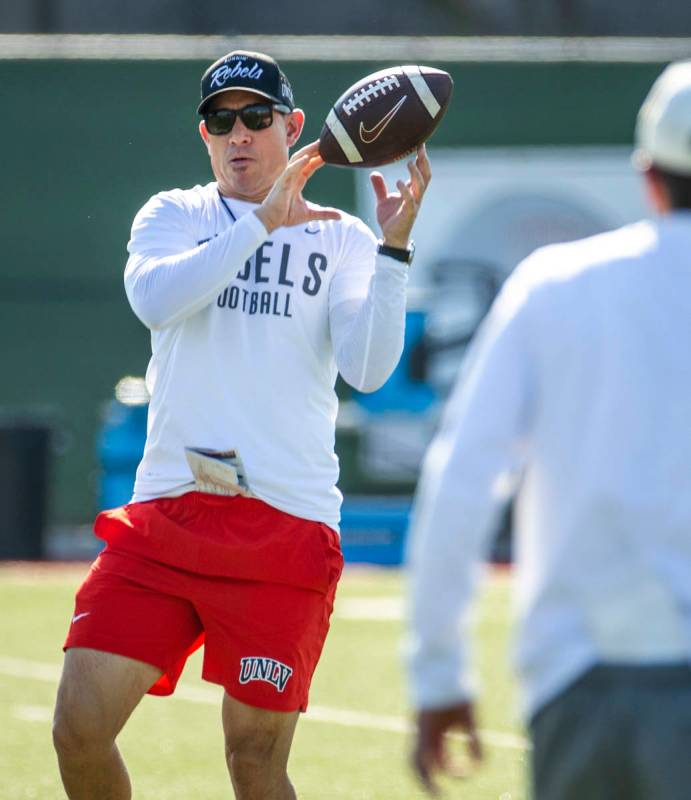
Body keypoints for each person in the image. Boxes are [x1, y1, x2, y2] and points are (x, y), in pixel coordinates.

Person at [52, 49, 430, 800]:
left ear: (291, 127)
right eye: (221, 120)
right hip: (165, 514)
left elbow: (368, 371)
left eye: (256, 118)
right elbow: (157, 302)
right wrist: (261, 223)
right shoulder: (174, 214)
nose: (239, 134)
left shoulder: (343, 236)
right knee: (78, 729)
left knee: (254, 761)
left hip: (283, 527)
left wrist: (393, 249)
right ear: (204, 134)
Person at [406, 60, 691, 799]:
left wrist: (437, 674)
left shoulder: (554, 284)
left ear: (646, 174)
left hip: (578, 676)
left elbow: (462, 479)